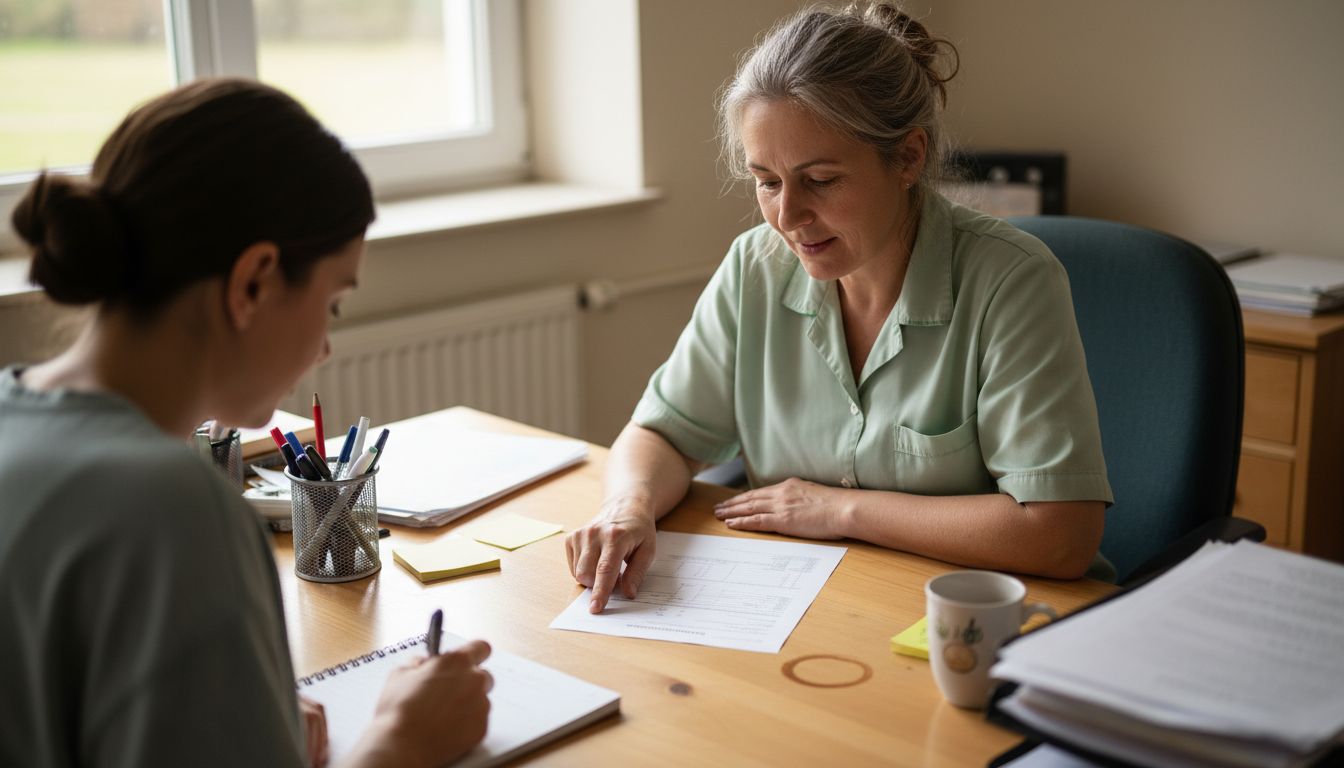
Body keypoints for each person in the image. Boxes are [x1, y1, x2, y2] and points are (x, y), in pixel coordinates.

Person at [0, 79, 491, 767]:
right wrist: (400, 744)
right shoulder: (173, 510)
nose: (325, 346)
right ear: (253, 282)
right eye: (333, 303)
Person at [567, 2, 1114, 613]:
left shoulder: (1010, 280)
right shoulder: (755, 266)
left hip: (982, 619)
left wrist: (841, 509)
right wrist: (628, 507)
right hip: (813, 607)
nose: (787, 216)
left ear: (908, 158)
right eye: (767, 181)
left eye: (821, 180)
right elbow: (663, 434)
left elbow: (1060, 533)